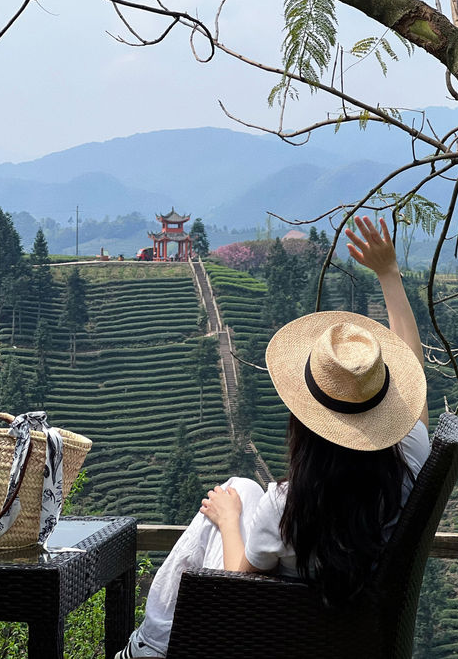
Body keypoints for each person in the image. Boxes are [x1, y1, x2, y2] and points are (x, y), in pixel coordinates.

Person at [116, 216, 429, 659]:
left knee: (229, 499)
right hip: (342, 633)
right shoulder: (409, 465)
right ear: (384, 409)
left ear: (305, 421)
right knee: (242, 487)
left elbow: (239, 586)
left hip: (264, 637)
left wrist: (227, 519)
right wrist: (389, 275)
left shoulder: (291, 506)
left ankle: (147, 647)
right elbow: (417, 385)